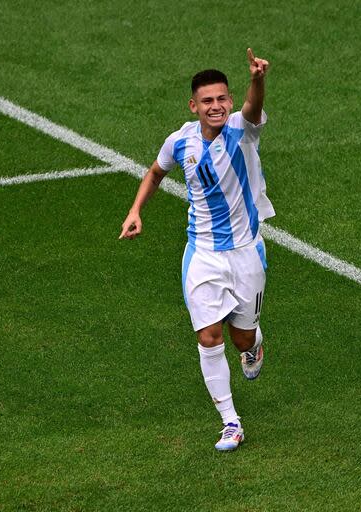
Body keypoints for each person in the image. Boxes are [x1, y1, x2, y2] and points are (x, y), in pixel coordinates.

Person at [119, 48, 273, 452]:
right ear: (194, 105)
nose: (217, 106)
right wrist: (136, 211)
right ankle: (231, 422)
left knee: (240, 339)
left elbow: (254, 108)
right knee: (208, 336)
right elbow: (155, 172)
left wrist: (257, 79)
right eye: (208, 101)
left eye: (223, 98)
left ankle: (254, 346)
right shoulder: (180, 140)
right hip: (202, 254)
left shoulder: (242, 129)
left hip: (245, 253)